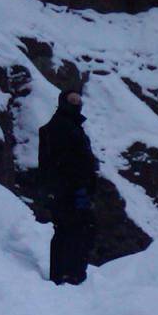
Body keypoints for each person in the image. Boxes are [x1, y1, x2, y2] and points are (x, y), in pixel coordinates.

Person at [38, 88, 99, 285]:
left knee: (72, 229)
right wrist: (79, 183)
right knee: (72, 229)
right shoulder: (61, 127)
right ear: (63, 102)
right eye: (72, 99)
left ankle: (67, 273)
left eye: (78, 99)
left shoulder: (70, 126)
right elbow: (65, 160)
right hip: (68, 189)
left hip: (70, 188)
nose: (76, 103)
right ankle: (69, 274)